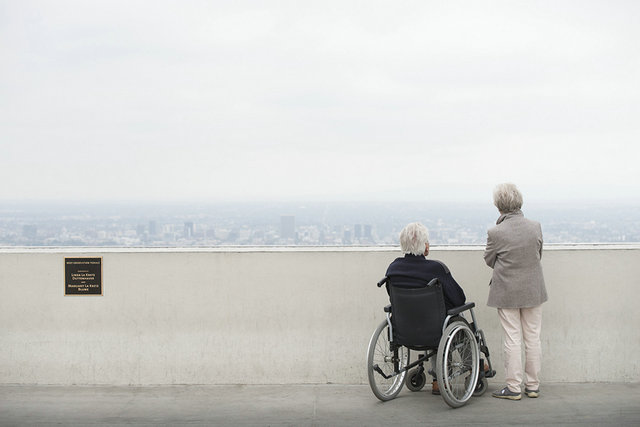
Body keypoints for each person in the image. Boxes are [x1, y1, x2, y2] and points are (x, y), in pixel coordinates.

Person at [385, 222, 466, 395]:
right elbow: (459, 299)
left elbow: (393, 299)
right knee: (455, 320)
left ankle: (439, 378)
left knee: (433, 319)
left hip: (404, 329)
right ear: (424, 246)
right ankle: (465, 369)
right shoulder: (435, 269)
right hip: (435, 328)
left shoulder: (393, 269)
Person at [484, 183, 548, 400]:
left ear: (498, 206)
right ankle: (533, 386)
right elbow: (538, 254)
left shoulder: (495, 232)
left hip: (507, 291)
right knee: (533, 337)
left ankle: (513, 387)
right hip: (533, 289)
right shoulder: (535, 226)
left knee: (512, 338)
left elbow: (489, 260)